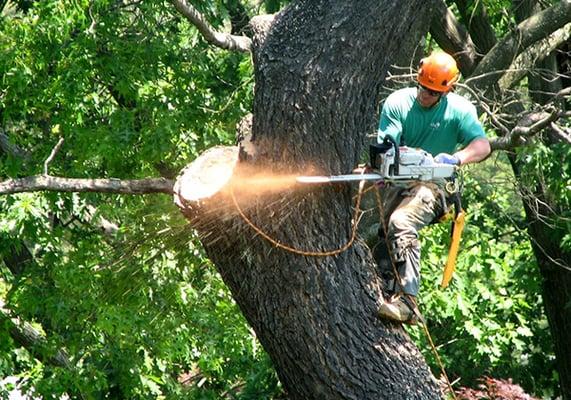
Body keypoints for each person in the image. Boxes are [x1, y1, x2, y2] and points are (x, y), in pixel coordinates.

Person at [376, 51, 491, 324]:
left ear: (446, 91)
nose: (425, 96)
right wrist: (387, 161)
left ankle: (408, 302)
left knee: (402, 221)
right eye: (423, 89)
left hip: (435, 185)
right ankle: (384, 285)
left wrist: (457, 158)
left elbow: (483, 145)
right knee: (378, 232)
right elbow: (386, 144)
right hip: (399, 180)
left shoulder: (459, 110)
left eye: (432, 93)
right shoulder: (398, 103)